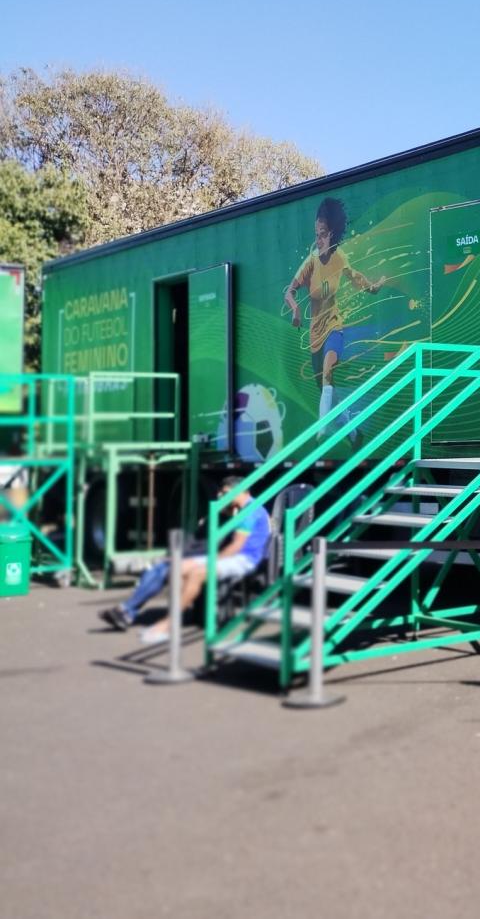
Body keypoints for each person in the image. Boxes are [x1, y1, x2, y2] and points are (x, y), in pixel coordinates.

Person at [100, 477, 270, 643]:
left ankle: (165, 622)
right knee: (173, 568)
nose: (220, 497)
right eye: (220, 493)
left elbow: (236, 547)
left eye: (225, 493)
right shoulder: (237, 509)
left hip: (241, 558)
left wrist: (212, 559)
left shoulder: (248, 512)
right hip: (215, 553)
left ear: (240, 491)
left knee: (183, 571)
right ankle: (165, 614)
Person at [283, 197, 386, 441]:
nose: (318, 240)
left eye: (322, 234)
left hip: (334, 329)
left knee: (329, 372)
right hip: (314, 336)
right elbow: (290, 290)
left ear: (332, 235)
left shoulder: (339, 258)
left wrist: (374, 287)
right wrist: (296, 310)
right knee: (326, 389)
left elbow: (355, 276)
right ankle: (352, 431)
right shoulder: (310, 263)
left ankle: (322, 428)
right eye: (315, 234)